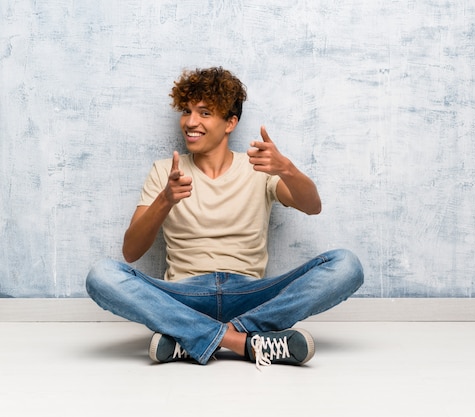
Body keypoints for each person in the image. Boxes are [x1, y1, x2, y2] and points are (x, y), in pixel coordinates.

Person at [86, 67, 364, 369]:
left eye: (204, 113)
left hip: (251, 294)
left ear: (230, 122)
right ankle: (242, 342)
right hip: (183, 295)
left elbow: (312, 206)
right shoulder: (164, 171)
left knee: (346, 265)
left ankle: (192, 338)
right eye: (186, 111)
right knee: (101, 275)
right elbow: (131, 252)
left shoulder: (258, 168)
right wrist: (165, 199)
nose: (191, 122)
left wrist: (287, 169)